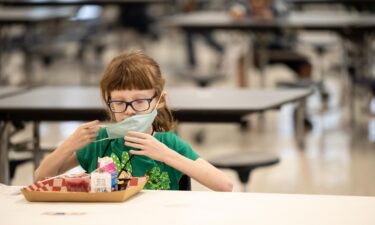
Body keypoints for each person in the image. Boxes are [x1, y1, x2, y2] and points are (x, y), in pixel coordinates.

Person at [35, 51, 233, 192]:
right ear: (108, 102)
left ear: (159, 101)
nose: (129, 112)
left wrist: (166, 155)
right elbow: (40, 179)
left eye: (139, 101)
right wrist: (67, 145)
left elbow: (224, 185)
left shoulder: (167, 143)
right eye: (120, 103)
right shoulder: (100, 141)